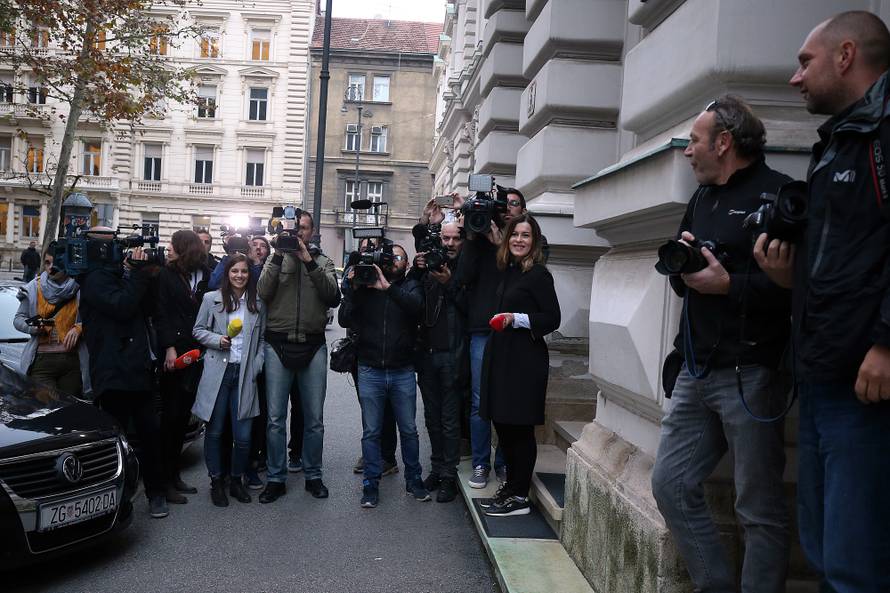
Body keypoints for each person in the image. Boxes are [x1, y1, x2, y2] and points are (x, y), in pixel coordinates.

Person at [754, 12, 890, 592]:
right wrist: (789, 280)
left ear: (846, 55)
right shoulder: (840, 138)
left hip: (865, 383)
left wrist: (886, 342)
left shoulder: (881, 135)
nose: (794, 77)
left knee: (855, 561)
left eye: (805, 61)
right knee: (824, 549)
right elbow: (846, 258)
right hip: (823, 374)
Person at [649, 96, 793, 593]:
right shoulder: (702, 197)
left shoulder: (782, 198)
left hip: (751, 372)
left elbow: (797, 290)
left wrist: (729, 284)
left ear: (724, 142)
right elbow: (683, 277)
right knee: (669, 484)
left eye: (693, 141)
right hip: (695, 368)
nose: (687, 152)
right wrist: (688, 270)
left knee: (758, 508)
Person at [78, 228, 168, 518]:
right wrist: (137, 274)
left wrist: (150, 274)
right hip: (113, 373)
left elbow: (149, 308)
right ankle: (116, 499)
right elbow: (122, 306)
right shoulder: (94, 280)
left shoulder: (124, 276)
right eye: (113, 246)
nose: (120, 251)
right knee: (117, 442)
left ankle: (156, 493)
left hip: (138, 369)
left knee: (151, 436)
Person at [257, 211, 340, 502]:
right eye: (294, 230)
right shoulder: (274, 257)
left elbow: (333, 297)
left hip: (313, 345)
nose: (298, 234)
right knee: (276, 419)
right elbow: (263, 292)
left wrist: (308, 260)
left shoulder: (322, 261)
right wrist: (279, 254)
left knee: (314, 419)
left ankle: (313, 475)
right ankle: (276, 478)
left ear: (312, 231)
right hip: (277, 344)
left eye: (303, 229)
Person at [480, 215, 560, 517]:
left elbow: (552, 318)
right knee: (503, 424)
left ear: (534, 241)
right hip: (502, 357)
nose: (519, 240)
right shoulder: (508, 271)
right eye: (515, 234)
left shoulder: (539, 274)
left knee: (519, 428)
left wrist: (517, 319)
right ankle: (511, 487)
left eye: (526, 236)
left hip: (525, 361)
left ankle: (519, 495)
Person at [339, 243, 428, 508]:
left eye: (399, 257)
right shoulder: (364, 287)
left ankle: (414, 480)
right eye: (390, 256)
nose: (393, 260)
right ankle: (370, 484)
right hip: (369, 369)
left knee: (409, 430)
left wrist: (388, 288)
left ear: (406, 263)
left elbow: (417, 309)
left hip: (402, 370)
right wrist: (354, 289)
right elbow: (344, 319)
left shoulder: (410, 285)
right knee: (371, 432)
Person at [192, 254, 265, 507]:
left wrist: (256, 366)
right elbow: (198, 330)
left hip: (244, 374)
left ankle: (236, 479)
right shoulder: (210, 299)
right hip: (218, 373)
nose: (239, 276)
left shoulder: (257, 303)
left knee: (243, 436)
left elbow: (262, 341)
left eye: (244, 271)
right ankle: (216, 481)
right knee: (215, 431)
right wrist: (217, 340)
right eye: (235, 271)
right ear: (227, 273)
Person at [409, 221, 468, 502]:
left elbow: (472, 309)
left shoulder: (467, 270)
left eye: (456, 238)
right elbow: (413, 303)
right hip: (427, 354)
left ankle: (448, 475)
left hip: (453, 355)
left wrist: (450, 282)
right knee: (432, 418)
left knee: (449, 420)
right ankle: (436, 467)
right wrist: (417, 269)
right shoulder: (429, 269)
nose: (450, 244)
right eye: (446, 238)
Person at [454, 199, 510, 489]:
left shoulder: (510, 240)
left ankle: (502, 462)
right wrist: (472, 238)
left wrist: (499, 243)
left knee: (504, 400)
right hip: (479, 330)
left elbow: (513, 277)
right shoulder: (473, 243)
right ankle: (480, 463)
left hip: (507, 330)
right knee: (479, 402)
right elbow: (462, 277)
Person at [154, 229, 210, 504]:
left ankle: (175, 476)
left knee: (183, 418)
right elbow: (161, 312)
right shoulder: (166, 275)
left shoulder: (203, 274)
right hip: (174, 354)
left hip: (196, 351)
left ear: (185, 248)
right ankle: (164, 482)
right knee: (170, 418)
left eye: (173, 246)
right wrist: (168, 346)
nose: (168, 249)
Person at [345, 238, 400, 478]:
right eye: (365, 247)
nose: (369, 251)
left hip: (388, 354)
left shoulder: (390, 281)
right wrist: (353, 286)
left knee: (387, 409)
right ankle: (371, 453)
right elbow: (344, 317)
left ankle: (387, 456)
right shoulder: (355, 272)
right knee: (369, 408)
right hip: (362, 352)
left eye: (374, 248)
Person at [14, 249, 90, 397]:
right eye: (47, 263)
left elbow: (96, 321)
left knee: (68, 412)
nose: (50, 268)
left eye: (56, 263)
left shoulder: (81, 287)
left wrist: (79, 328)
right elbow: (18, 319)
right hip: (42, 362)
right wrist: (33, 328)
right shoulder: (33, 287)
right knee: (46, 409)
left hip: (73, 362)